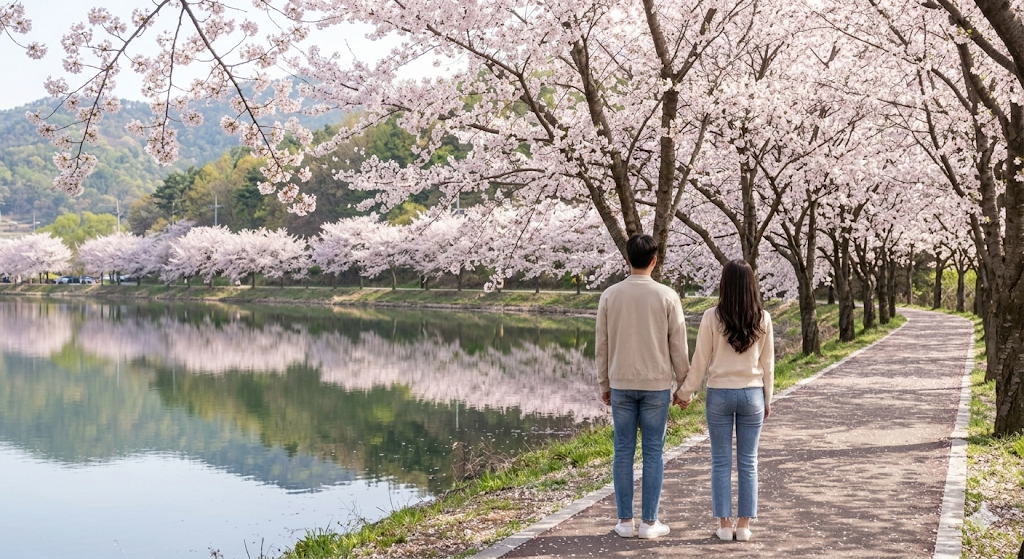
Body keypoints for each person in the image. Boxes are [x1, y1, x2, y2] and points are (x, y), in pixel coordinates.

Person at [597, 233, 690, 540]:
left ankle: (624, 521)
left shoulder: (610, 295)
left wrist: (604, 383)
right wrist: (684, 387)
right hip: (657, 385)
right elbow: (678, 345)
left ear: (627, 259)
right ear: (654, 260)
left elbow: (603, 344)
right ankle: (649, 522)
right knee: (653, 452)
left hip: (621, 383)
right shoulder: (667, 296)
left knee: (622, 451)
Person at [675, 259, 774, 542]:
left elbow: (700, 362)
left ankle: (723, 524)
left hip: (719, 393)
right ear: (751, 286)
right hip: (752, 394)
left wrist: (684, 393)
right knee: (748, 461)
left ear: (724, 285)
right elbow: (768, 364)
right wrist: (767, 399)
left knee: (720, 462)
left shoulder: (711, 317)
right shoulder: (763, 318)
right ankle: (743, 526)